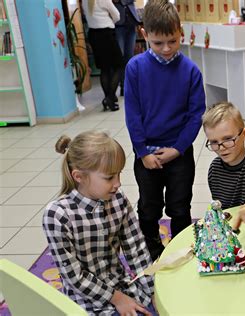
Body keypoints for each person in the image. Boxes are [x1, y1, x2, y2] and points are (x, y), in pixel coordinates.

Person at [124, 0, 206, 260]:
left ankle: (180, 251)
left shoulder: (191, 71)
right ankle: (152, 252)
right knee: (149, 208)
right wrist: (142, 152)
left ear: (180, 31)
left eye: (172, 40)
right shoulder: (135, 69)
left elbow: (195, 116)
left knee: (180, 207)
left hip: (179, 154)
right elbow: (133, 115)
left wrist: (177, 149)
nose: (167, 48)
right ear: (145, 34)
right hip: (146, 155)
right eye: (158, 43)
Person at [42, 130, 156, 315]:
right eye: (109, 177)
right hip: (85, 299)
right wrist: (117, 299)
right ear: (79, 176)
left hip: (121, 284)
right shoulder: (57, 215)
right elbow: (74, 276)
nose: (118, 183)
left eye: (119, 174)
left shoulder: (118, 199)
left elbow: (136, 250)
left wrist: (152, 293)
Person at [82, 0, 123, 111]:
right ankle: (110, 97)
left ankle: (108, 98)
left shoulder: (85, 1)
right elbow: (117, 16)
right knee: (119, 66)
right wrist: (109, 20)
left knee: (104, 69)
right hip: (107, 34)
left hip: (94, 35)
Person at [113, 0, 141, 96]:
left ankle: (127, 86)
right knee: (120, 58)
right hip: (117, 24)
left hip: (131, 23)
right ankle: (122, 86)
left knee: (129, 57)